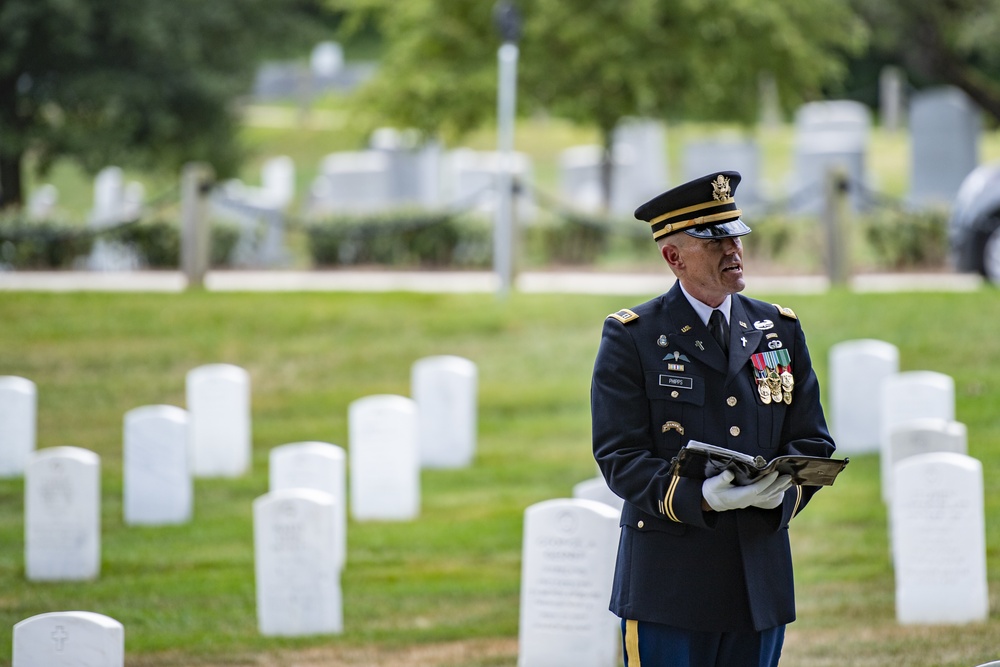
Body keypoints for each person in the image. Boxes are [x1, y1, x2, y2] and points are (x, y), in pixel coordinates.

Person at [590, 171, 836, 667]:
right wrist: (697, 496)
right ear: (673, 257)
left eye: (736, 236)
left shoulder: (778, 330)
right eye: (714, 240)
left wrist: (783, 494)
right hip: (670, 586)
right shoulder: (634, 338)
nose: (733, 251)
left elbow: (811, 440)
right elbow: (620, 456)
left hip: (757, 582)